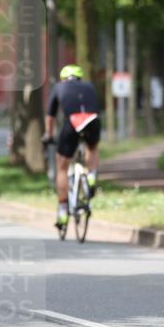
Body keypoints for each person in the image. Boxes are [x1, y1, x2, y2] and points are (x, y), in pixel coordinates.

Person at [42, 65, 101, 228]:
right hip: (93, 120)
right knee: (92, 147)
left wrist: (49, 135)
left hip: (73, 122)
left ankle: (62, 211)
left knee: (62, 166)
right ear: (80, 77)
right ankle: (91, 176)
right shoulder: (89, 86)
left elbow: (50, 116)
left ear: (63, 78)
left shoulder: (59, 87)